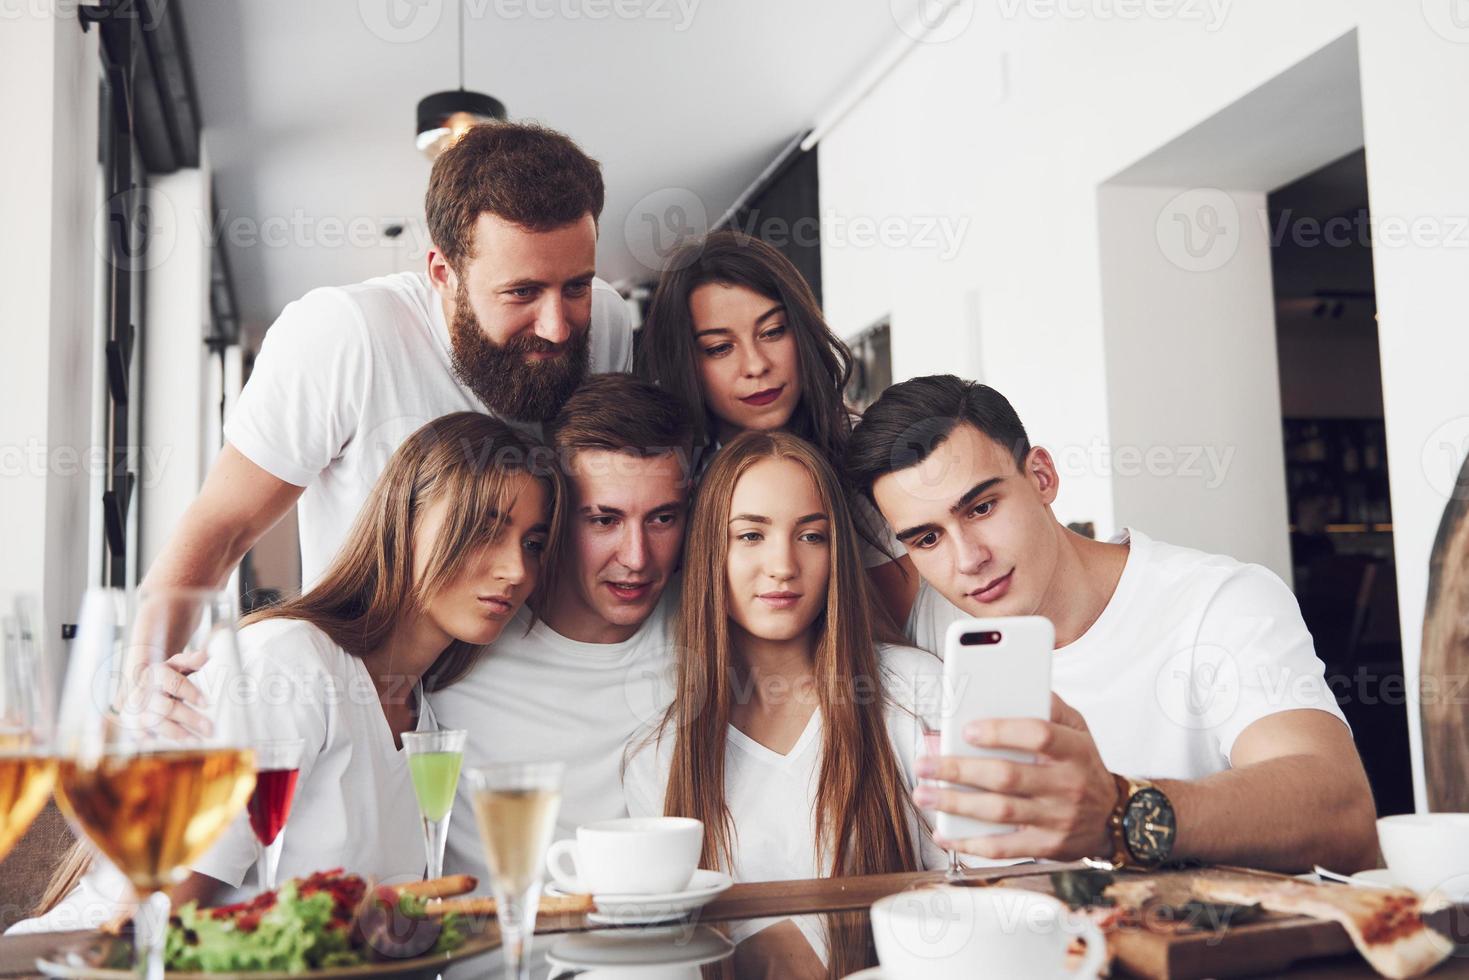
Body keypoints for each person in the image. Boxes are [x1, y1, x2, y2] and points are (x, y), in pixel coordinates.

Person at [13, 413, 560, 933]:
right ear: (405, 521)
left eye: (532, 544)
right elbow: (145, 924)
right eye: (485, 530)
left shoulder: (425, 717)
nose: (516, 570)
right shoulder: (288, 663)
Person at [845, 375, 1379, 873]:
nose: (967, 560)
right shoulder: (929, 630)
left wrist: (1120, 812)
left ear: (1041, 476)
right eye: (926, 539)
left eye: (981, 507)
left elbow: (1339, 810)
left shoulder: (1218, 602)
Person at [145, 121, 631, 608]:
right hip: (370, 674)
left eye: (576, 286)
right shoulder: (342, 333)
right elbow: (223, 527)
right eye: (521, 292)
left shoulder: (605, 318)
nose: (557, 327)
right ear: (444, 274)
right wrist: (146, 666)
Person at [623, 430, 943, 974]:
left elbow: (978, 892)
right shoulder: (657, 756)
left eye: (811, 536)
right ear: (709, 553)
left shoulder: (914, 692)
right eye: (750, 535)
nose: (783, 565)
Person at [430, 374, 694, 892]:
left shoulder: (709, 623)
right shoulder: (467, 640)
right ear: (552, 518)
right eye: (603, 520)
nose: (636, 559)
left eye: (662, 518)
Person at [636, 231, 917, 624]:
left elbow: (900, 627)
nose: (756, 365)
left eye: (772, 332)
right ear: (686, 363)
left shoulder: (860, 454)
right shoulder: (667, 467)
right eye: (720, 348)